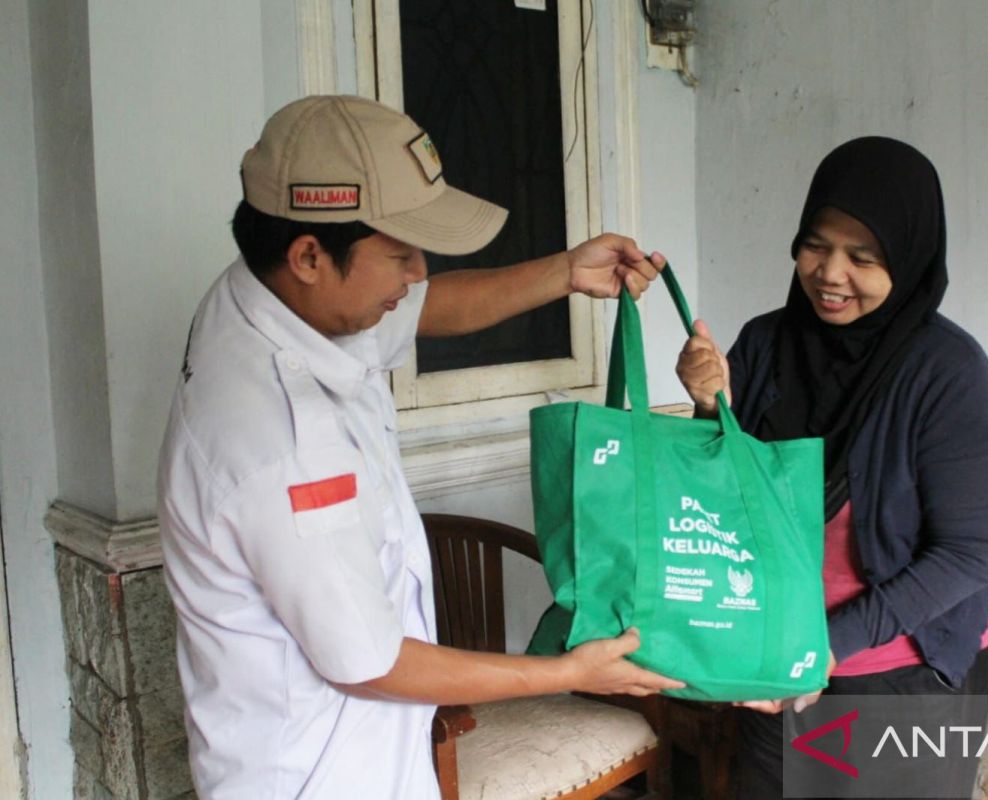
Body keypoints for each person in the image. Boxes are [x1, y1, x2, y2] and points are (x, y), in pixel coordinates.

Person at [157, 94, 682, 799]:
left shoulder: (273, 294)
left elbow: (427, 307)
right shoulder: (281, 444)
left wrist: (564, 272)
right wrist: (568, 673)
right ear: (308, 255)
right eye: (401, 253)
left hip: (366, 753)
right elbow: (370, 663)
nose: (417, 273)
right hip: (320, 777)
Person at [675, 137, 988, 799]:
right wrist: (709, 407)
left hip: (903, 670)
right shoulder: (765, 344)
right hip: (779, 653)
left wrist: (827, 645)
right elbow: (720, 497)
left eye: (862, 257)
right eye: (815, 245)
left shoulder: (949, 374)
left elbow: (969, 553)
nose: (830, 274)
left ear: (908, 259)